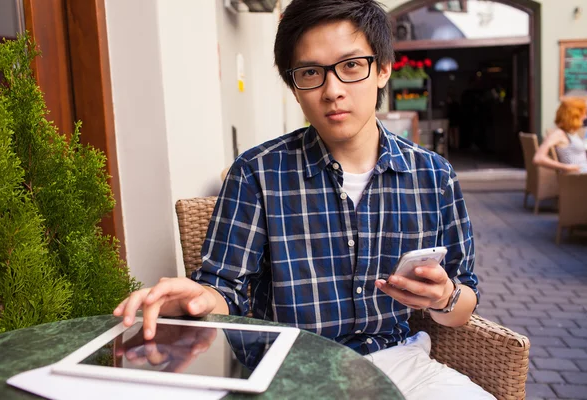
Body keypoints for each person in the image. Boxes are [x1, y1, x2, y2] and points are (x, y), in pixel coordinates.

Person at [114, 1, 492, 398]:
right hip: (289, 371)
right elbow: (225, 289)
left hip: (402, 366)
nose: (332, 91)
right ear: (294, 87)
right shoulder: (258, 173)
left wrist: (445, 297)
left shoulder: (433, 176)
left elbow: (464, 298)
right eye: (311, 72)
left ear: (382, 70)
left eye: (351, 66)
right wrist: (198, 296)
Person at [533, 97, 587, 174]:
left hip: (585, 177)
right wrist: (565, 167)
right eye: (582, 114)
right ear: (574, 116)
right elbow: (538, 158)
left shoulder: (571, 133)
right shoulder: (558, 134)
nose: (585, 117)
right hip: (578, 179)